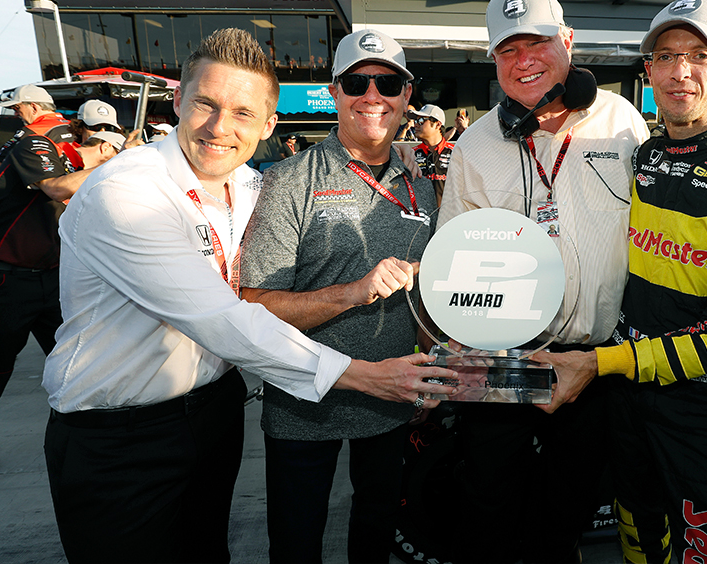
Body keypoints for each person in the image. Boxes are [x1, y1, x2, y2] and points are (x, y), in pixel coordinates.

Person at [41, 28, 456, 564]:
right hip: (118, 434)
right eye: (206, 105)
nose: (220, 127)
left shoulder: (247, 187)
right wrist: (361, 367)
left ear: (267, 124)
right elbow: (227, 318)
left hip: (213, 412)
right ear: (178, 102)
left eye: (242, 112)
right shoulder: (127, 194)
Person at [532, 1, 707, 562]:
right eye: (665, 56)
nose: (680, 71)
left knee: (706, 553)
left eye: (698, 56)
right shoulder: (645, 157)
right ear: (649, 69)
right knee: (638, 541)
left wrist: (597, 364)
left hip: (701, 410)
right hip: (626, 403)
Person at [437, 0, 649, 560]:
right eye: (508, 49)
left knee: (572, 506)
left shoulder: (623, 120)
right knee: (487, 502)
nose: (523, 60)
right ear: (492, 61)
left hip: (595, 358)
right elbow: (456, 259)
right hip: (505, 356)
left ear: (568, 41)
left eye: (536, 44)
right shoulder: (475, 144)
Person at [239, 29, 435, 564]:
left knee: (375, 534)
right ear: (334, 92)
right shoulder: (289, 180)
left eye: (388, 83)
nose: (373, 95)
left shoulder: (423, 185)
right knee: (297, 541)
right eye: (357, 82)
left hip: (392, 396)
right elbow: (254, 305)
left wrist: (426, 367)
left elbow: (427, 296)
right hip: (305, 403)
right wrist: (353, 292)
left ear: (406, 96)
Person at [0, 84, 108, 472]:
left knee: (83, 357)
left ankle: (95, 435)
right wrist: (117, 163)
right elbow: (56, 186)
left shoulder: (51, 144)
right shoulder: (35, 142)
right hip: (7, 277)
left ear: (26, 108)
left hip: (48, 276)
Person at [0, 84, 76, 174]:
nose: (16, 114)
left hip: (49, 185)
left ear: (34, 107)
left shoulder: (32, 131)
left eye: (17, 108)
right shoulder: (72, 126)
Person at [409, 103, 454, 205]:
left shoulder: (456, 152)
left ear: (438, 124)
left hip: (449, 217)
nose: (415, 124)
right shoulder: (411, 155)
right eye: (415, 121)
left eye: (421, 121)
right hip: (420, 216)